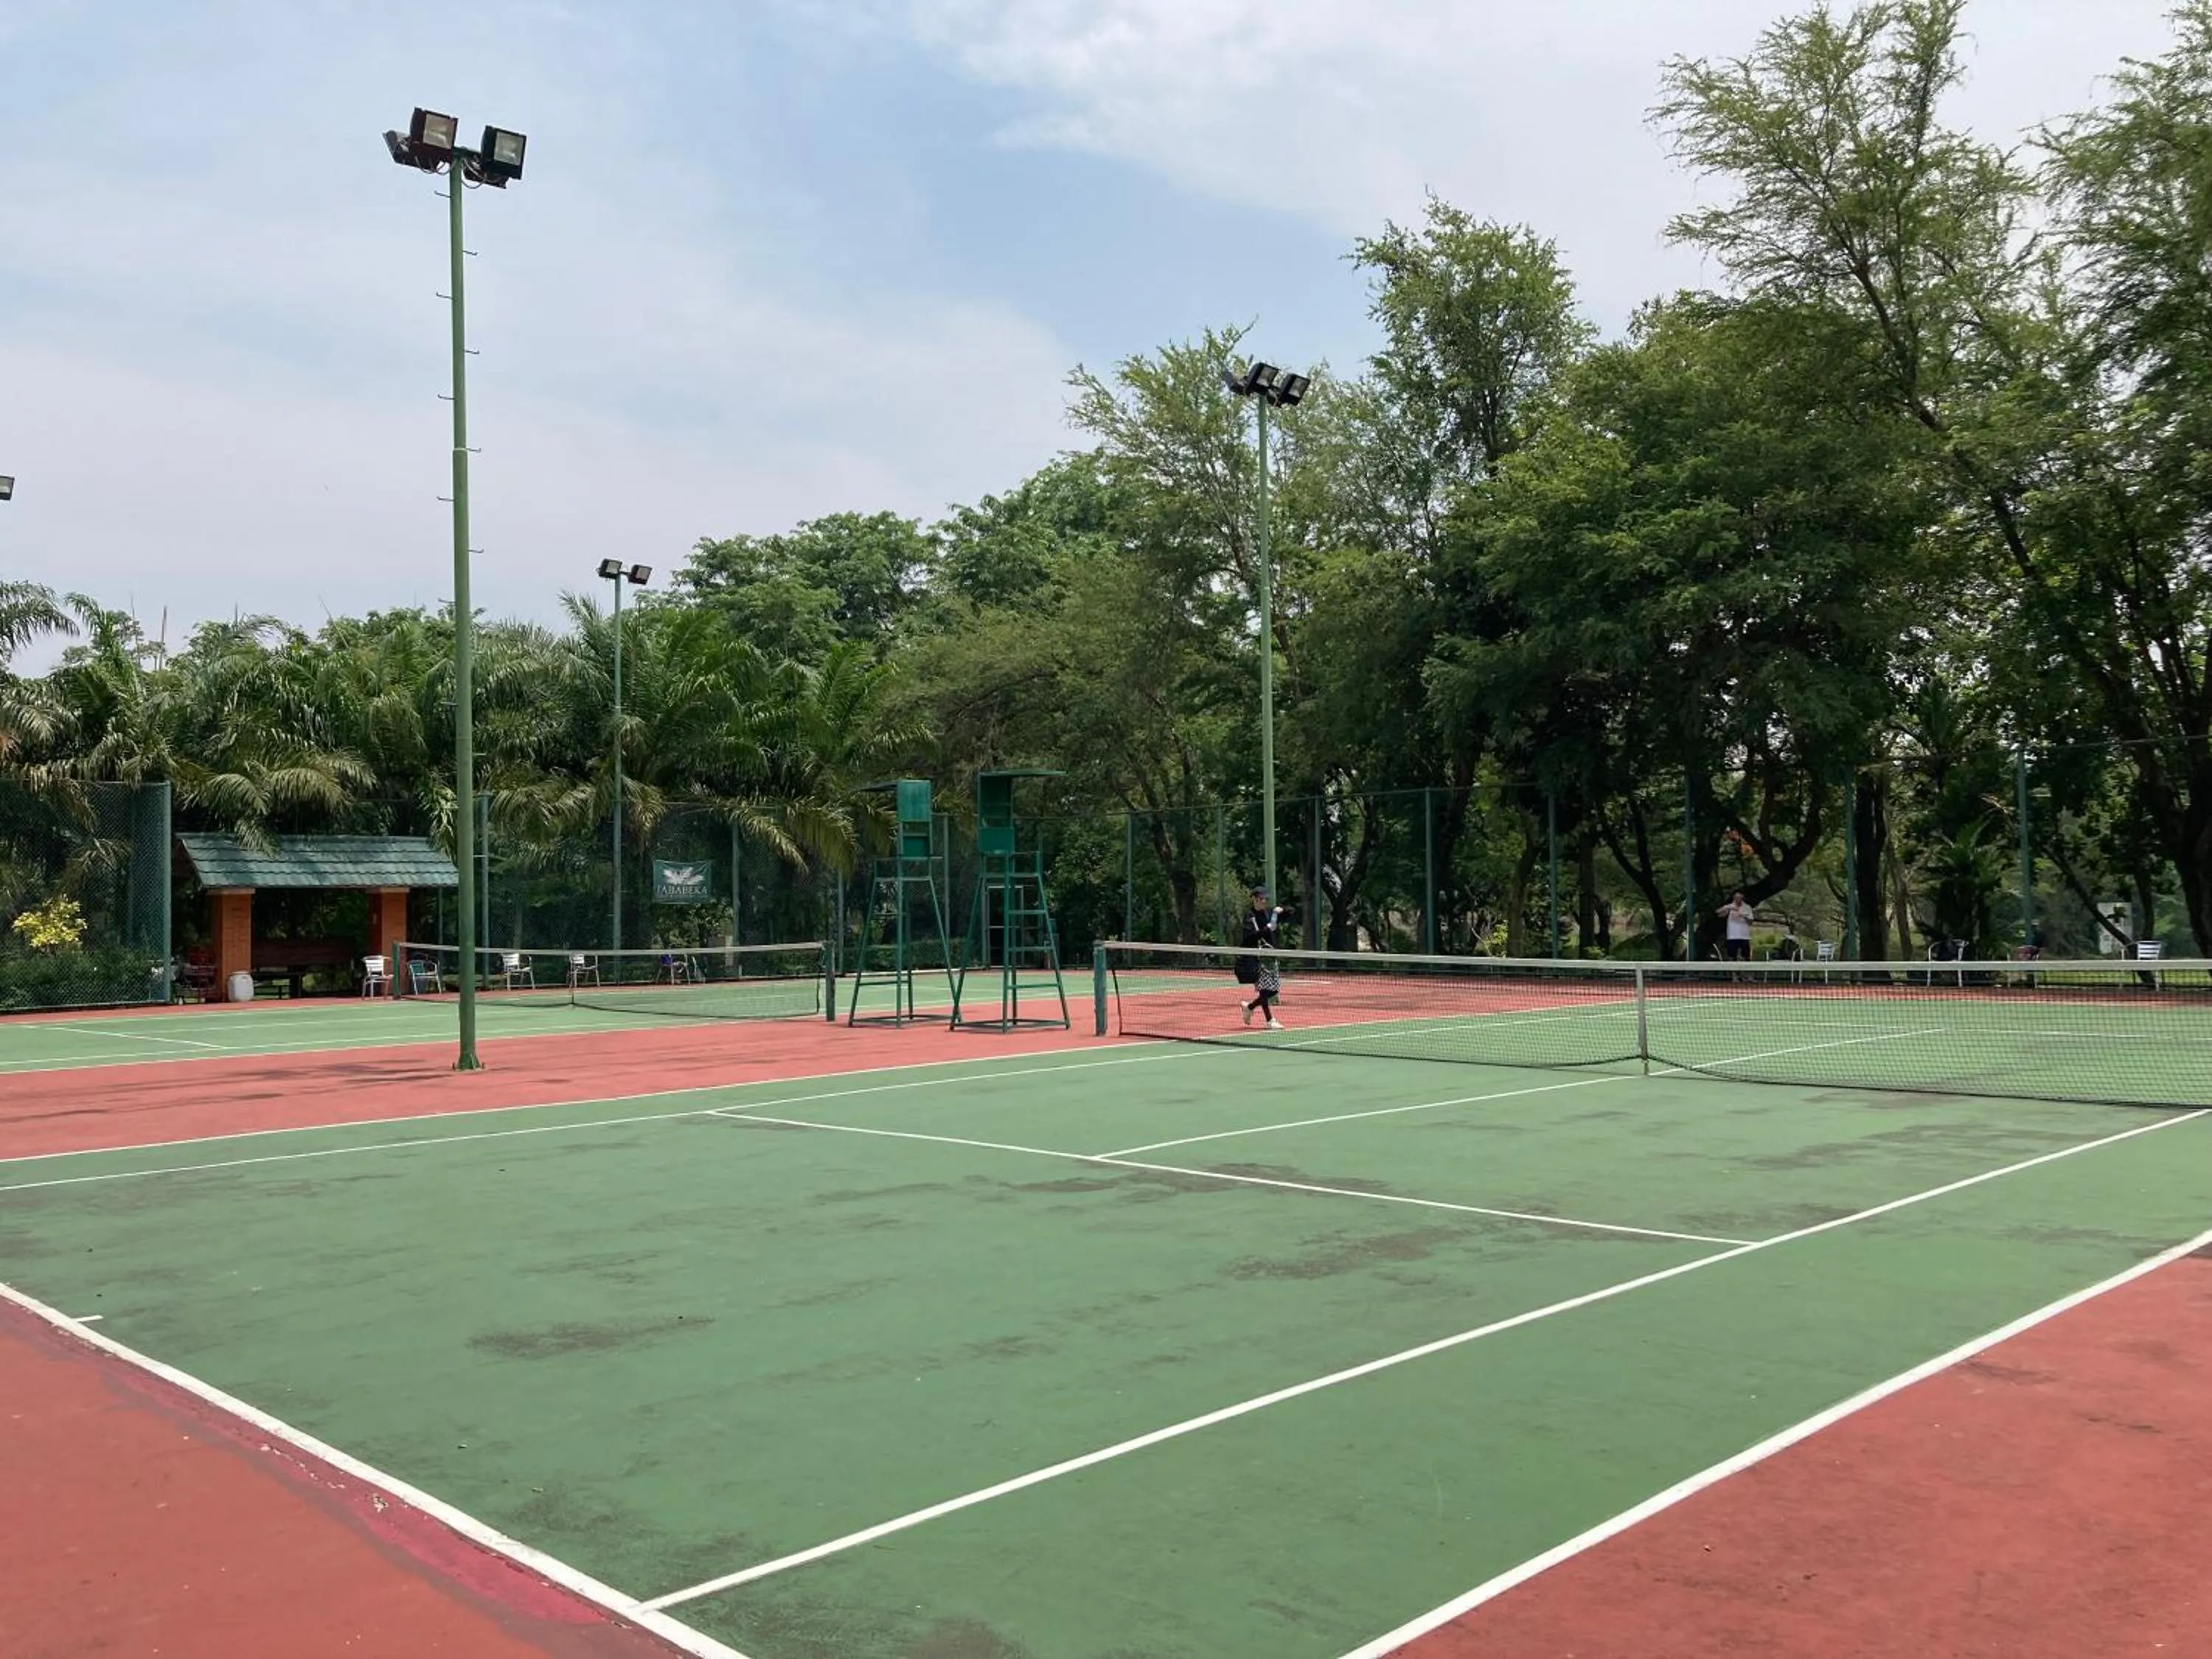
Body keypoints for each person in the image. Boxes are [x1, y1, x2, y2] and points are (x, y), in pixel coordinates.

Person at [1236, 886, 1285, 1029]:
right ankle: (1270, 1020)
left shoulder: (1267, 913)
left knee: (1274, 990)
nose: (1264, 901)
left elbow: (1288, 914)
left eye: (1265, 899)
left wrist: (1282, 911)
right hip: (1257, 958)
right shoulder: (1249, 916)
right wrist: (1265, 930)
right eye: (1262, 899)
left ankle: (1250, 1007)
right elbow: (1248, 938)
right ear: (1255, 899)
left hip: (1270, 956)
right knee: (1264, 990)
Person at [1717, 891, 1754, 962]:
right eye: (1736, 897)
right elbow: (1719, 914)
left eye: (1740, 898)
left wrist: (1743, 916)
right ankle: (1733, 972)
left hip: (1744, 936)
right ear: (1734, 898)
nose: (1738, 899)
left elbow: (1751, 922)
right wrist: (1727, 909)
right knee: (1732, 957)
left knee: (1746, 957)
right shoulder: (1730, 907)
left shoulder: (1747, 907)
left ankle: (1744, 972)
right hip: (1732, 936)